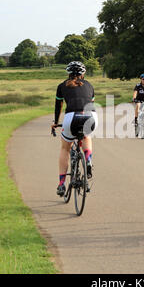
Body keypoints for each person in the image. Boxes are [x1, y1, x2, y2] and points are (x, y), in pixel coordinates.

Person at [51, 61, 97, 196]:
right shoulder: (89, 85)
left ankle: (61, 184)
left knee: (65, 148)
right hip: (91, 116)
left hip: (71, 117)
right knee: (86, 136)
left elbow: (58, 106)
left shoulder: (62, 86)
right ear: (83, 74)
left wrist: (56, 122)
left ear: (68, 74)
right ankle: (88, 159)